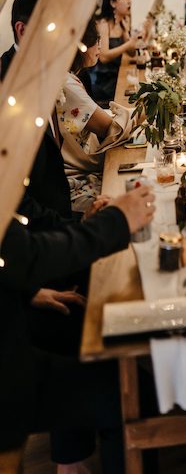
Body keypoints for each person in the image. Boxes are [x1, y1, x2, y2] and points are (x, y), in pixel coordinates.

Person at [0, 186, 156, 474]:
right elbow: (22, 253)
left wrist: (28, 291)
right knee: (130, 394)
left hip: (15, 333)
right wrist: (117, 221)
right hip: (9, 377)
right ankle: (70, 460)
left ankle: (70, 460)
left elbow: (10, 253)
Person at [1, 0, 71, 220]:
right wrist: (76, 226)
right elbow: (15, 205)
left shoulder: (44, 71)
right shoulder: (6, 91)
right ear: (22, 30)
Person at [57, 18, 135, 211]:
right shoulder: (66, 84)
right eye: (95, 41)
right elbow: (111, 128)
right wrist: (143, 111)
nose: (99, 46)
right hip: (75, 178)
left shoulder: (68, 76)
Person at [91, 0, 137, 106]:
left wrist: (127, 32)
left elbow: (132, 53)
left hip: (116, 77)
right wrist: (129, 44)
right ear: (112, 3)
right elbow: (104, 57)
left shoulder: (121, 23)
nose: (129, 2)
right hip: (104, 84)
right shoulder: (103, 24)